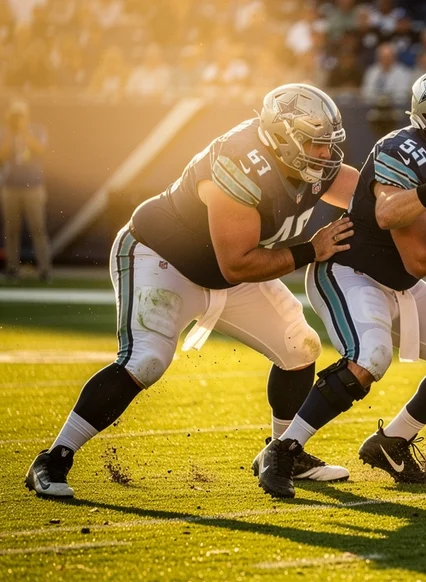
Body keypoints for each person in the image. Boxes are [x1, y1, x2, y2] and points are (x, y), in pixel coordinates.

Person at [25, 85, 358, 499]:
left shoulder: (311, 163)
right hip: (162, 259)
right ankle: (53, 458)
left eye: (328, 145)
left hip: (226, 270)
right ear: (281, 137)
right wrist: (312, 249)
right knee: (146, 360)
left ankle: (283, 451)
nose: (324, 156)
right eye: (313, 143)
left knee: (299, 346)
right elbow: (236, 262)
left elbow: (368, 198)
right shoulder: (239, 162)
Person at [264, 67, 426, 499]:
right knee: (369, 357)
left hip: (402, 284)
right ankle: (282, 451)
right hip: (353, 272)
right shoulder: (401, 148)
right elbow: (409, 240)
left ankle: (392, 441)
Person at [0, 99, 50, 282]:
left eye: (20, 115)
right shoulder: (5, 132)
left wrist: (24, 132)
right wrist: (11, 134)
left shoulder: (37, 130)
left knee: (38, 228)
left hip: (33, 186)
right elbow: (2, 155)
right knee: (11, 229)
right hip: (10, 186)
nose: (17, 119)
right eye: (15, 115)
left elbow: (41, 150)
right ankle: (12, 268)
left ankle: (44, 268)